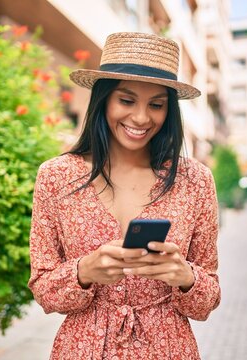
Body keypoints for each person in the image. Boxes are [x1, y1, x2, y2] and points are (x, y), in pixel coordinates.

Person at [28, 32, 220, 360]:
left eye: (156, 105)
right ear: (104, 99)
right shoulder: (56, 176)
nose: (142, 118)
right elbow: (43, 289)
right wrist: (83, 271)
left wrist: (185, 277)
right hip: (82, 349)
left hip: (168, 348)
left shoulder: (195, 181)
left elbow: (208, 298)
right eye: (127, 100)